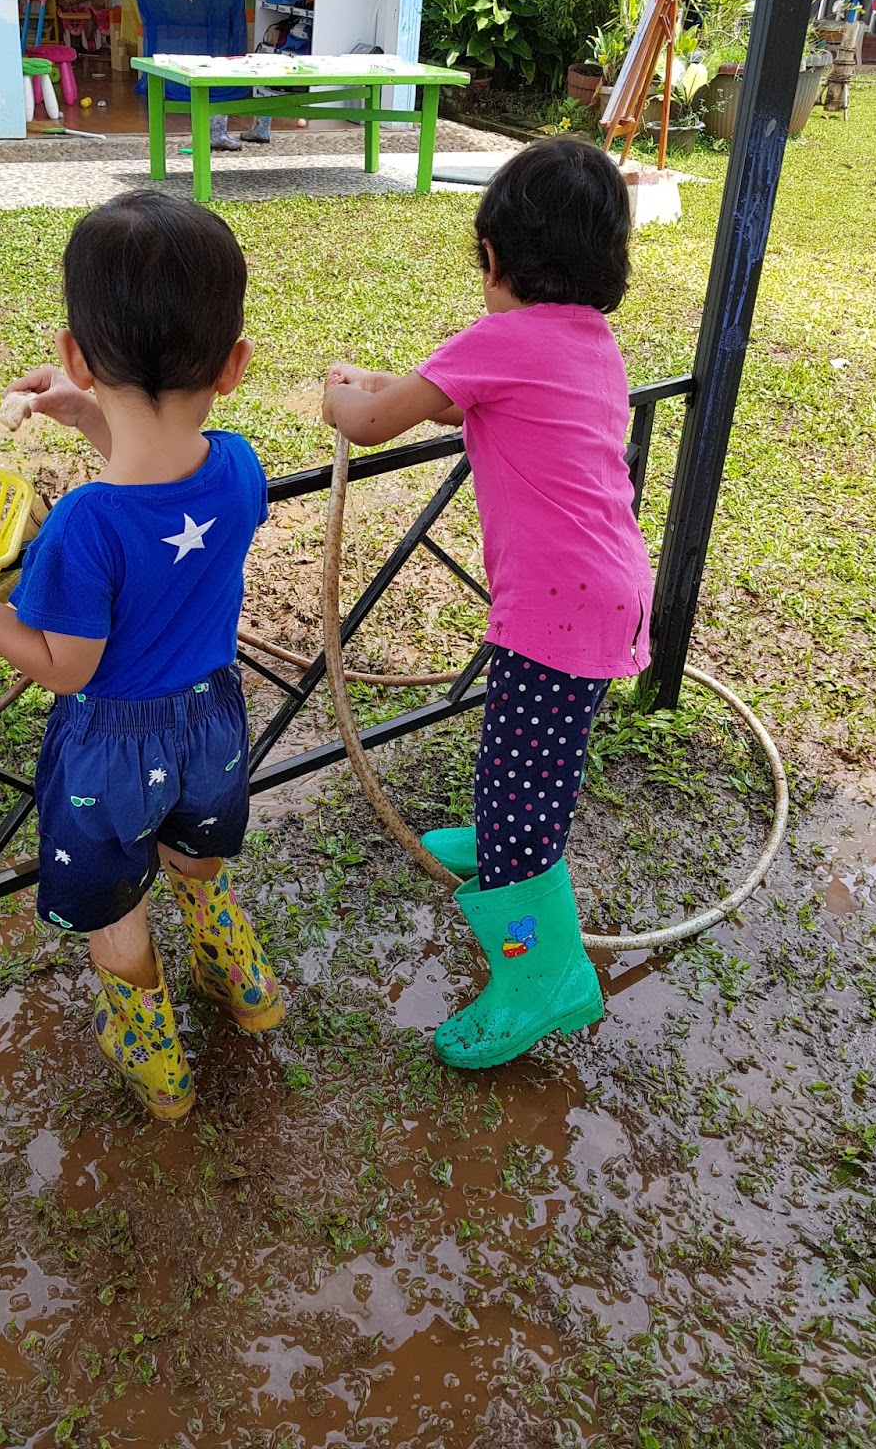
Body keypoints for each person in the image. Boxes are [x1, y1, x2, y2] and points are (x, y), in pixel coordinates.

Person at [0, 192, 283, 1122]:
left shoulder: (81, 526)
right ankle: (241, 979)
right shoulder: (241, 466)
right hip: (213, 727)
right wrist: (91, 417)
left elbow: (62, 667)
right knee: (196, 856)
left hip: (111, 751)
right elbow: (169, 497)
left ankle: (158, 1064)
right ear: (234, 365)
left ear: (75, 355)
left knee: (117, 905)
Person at [321, 137, 652, 1071]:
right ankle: (510, 837)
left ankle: (538, 974)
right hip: (606, 596)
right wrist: (385, 381)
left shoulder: (499, 340)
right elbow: (451, 399)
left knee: (519, 793)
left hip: (554, 615)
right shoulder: (591, 342)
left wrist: (340, 394)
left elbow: (374, 421)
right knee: (532, 761)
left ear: (495, 255)